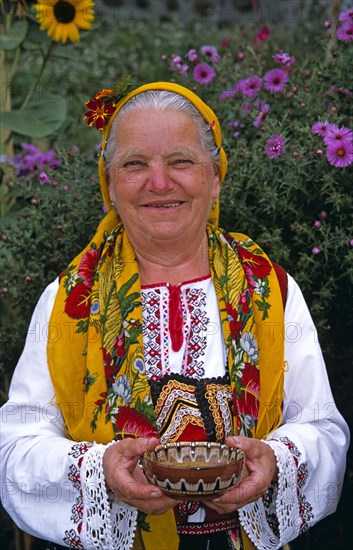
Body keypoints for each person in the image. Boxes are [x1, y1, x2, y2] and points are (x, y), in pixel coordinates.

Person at [0, 81, 349, 550]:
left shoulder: (271, 288)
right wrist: (100, 471)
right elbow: (15, 446)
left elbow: (323, 428)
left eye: (181, 160)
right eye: (135, 164)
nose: (159, 182)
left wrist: (277, 460)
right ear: (108, 186)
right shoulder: (69, 300)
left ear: (215, 176)